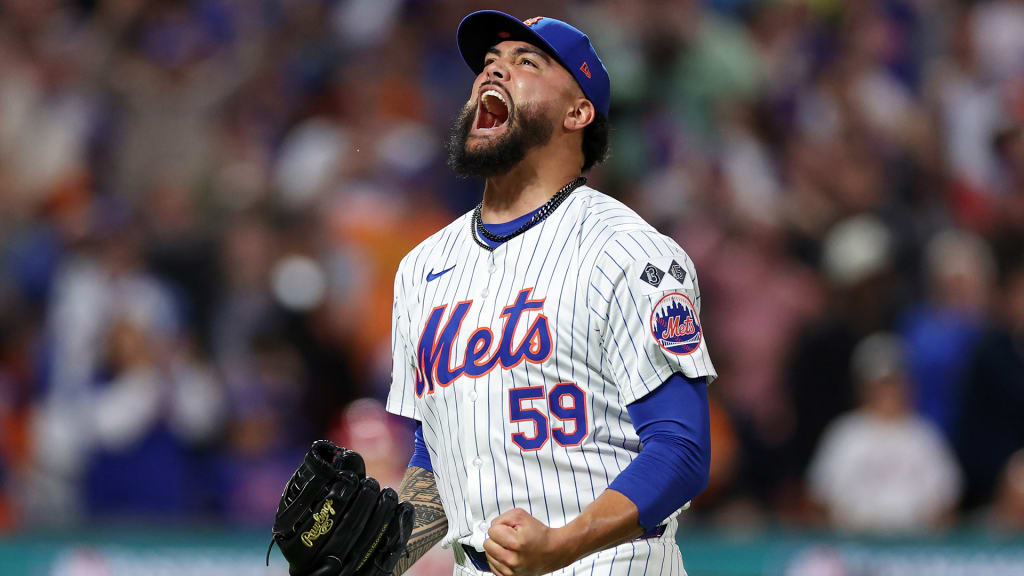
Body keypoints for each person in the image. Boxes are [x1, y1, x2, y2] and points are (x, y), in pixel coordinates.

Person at [385, 11, 715, 576]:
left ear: (578, 112)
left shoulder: (629, 252)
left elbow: (680, 448)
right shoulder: (422, 268)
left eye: (526, 62)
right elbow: (438, 454)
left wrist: (562, 544)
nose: (494, 71)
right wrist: (377, 552)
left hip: (610, 565)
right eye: (489, 62)